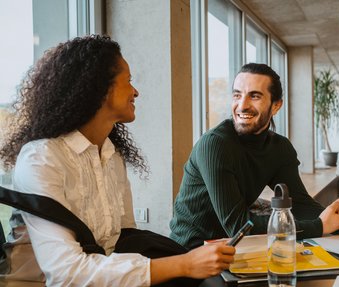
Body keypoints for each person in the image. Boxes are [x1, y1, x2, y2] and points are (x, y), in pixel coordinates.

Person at [0, 35, 235, 287]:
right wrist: (185, 263)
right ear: (98, 87)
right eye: (128, 81)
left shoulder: (111, 155)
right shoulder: (42, 158)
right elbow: (65, 273)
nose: (136, 91)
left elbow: (121, 243)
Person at [170, 63, 339, 250]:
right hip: (190, 251)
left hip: (234, 248)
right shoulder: (215, 144)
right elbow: (237, 226)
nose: (242, 105)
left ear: (276, 105)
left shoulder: (280, 148)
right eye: (237, 95)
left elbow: (300, 204)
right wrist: (319, 226)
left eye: (254, 96)